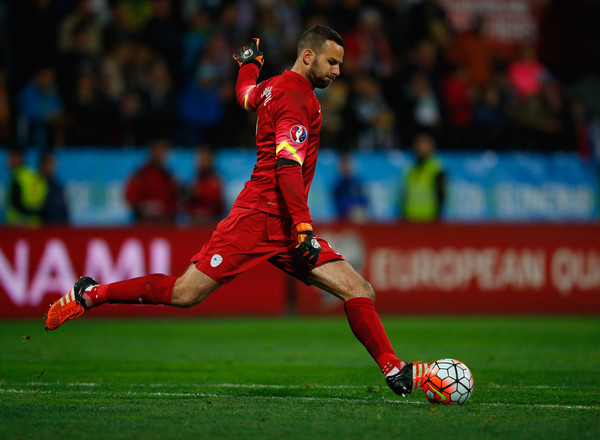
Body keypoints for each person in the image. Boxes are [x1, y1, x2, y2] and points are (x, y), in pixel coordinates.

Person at [45, 26, 431, 398]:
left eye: (340, 64)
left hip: (281, 222)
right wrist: (303, 226)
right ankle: (91, 293)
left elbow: (245, 94)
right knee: (185, 294)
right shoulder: (298, 98)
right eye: (331, 62)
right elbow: (287, 167)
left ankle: (394, 369)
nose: (337, 71)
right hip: (257, 218)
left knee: (358, 289)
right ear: (308, 55)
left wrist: (250, 64)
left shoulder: (272, 87)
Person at [124, 138, 180, 224]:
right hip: (145, 226)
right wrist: (144, 211)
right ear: (152, 151)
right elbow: (130, 198)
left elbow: (177, 200)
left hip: (166, 226)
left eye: (165, 151)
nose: (162, 154)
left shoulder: (169, 177)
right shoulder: (141, 174)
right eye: (160, 150)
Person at [401, 133, 446, 222]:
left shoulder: (437, 169)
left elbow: (441, 194)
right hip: (409, 217)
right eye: (419, 146)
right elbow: (404, 192)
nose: (422, 149)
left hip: (430, 217)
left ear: (431, 149)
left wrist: (437, 216)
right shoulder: (409, 168)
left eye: (425, 146)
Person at [6, 148, 48, 227]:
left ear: (20, 158)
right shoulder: (35, 175)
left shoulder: (17, 177)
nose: (8, 162)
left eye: (11, 158)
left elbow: (15, 202)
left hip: (18, 225)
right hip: (36, 224)